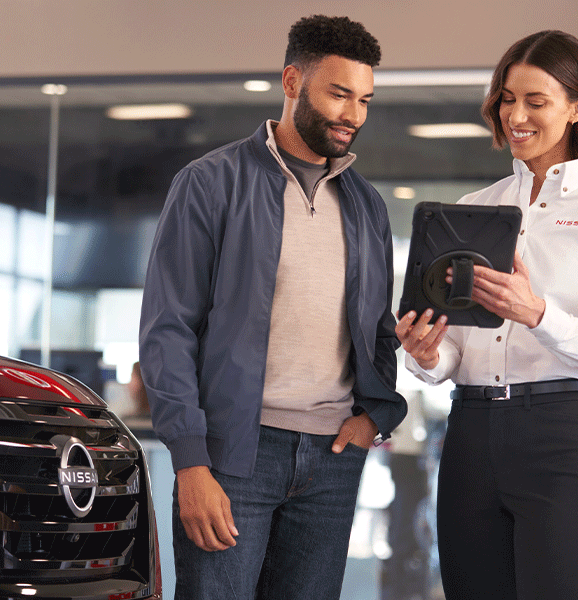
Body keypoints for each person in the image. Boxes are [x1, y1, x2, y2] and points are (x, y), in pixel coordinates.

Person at [139, 14, 406, 600]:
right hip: (235, 456)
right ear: (292, 82)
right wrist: (190, 462)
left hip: (334, 458)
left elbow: (377, 329)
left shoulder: (366, 206)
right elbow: (167, 331)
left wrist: (377, 415)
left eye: (363, 99)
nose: (353, 115)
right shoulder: (210, 183)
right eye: (338, 94)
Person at [395, 30, 578, 600]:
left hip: (564, 432)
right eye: (508, 98)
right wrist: (428, 354)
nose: (516, 115)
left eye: (536, 102)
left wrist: (536, 313)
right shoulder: (472, 209)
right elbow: (455, 347)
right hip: (469, 432)